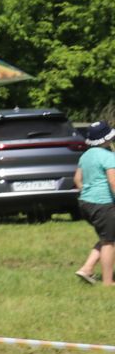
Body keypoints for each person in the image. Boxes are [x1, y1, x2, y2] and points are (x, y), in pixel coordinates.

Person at [73, 120, 115, 286]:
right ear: (106, 139)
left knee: (107, 236)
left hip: (85, 203)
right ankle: (107, 282)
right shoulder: (109, 156)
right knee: (109, 243)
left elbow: (77, 180)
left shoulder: (86, 155)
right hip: (103, 204)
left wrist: (89, 192)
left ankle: (87, 268)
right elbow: (113, 182)